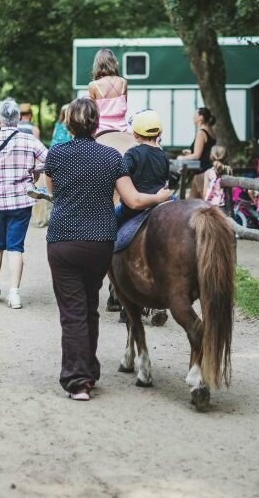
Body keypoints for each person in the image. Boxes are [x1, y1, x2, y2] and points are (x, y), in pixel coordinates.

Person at [42, 96, 171, 401]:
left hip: (63, 240)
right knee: (89, 307)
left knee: (72, 313)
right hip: (99, 242)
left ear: (68, 124)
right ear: (96, 124)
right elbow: (134, 200)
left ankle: (78, 380)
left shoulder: (55, 154)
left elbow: (52, 192)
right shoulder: (111, 156)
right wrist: (160, 198)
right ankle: (89, 370)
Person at [0, 98, 48, 309]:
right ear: (18, 118)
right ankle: (14, 294)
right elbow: (49, 160)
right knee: (15, 247)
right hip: (20, 200)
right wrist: (34, 171)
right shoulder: (29, 140)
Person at [116, 109, 170, 225]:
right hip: (159, 204)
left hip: (134, 209)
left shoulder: (132, 153)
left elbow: (120, 175)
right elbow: (166, 178)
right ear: (159, 133)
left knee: (108, 220)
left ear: (135, 134)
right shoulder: (163, 155)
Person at [88, 49, 128, 134]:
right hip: (122, 130)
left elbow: (92, 113)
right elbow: (124, 106)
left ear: (97, 64)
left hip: (101, 131)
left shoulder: (93, 85)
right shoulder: (123, 82)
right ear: (113, 63)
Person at [180, 107, 217, 172]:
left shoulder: (201, 133)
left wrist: (181, 158)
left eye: (195, 114)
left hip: (202, 169)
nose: (193, 117)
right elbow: (206, 150)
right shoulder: (211, 131)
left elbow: (196, 156)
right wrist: (191, 151)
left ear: (201, 117)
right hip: (209, 166)